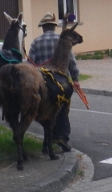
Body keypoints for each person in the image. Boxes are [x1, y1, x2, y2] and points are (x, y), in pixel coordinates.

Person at [27, 12, 80, 152]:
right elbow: (72, 62)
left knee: (46, 110)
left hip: (43, 83)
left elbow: (29, 65)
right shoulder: (63, 39)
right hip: (61, 83)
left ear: (43, 28)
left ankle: (48, 140)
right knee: (62, 109)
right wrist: (75, 79)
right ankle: (61, 137)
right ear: (54, 26)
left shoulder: (36, 42)